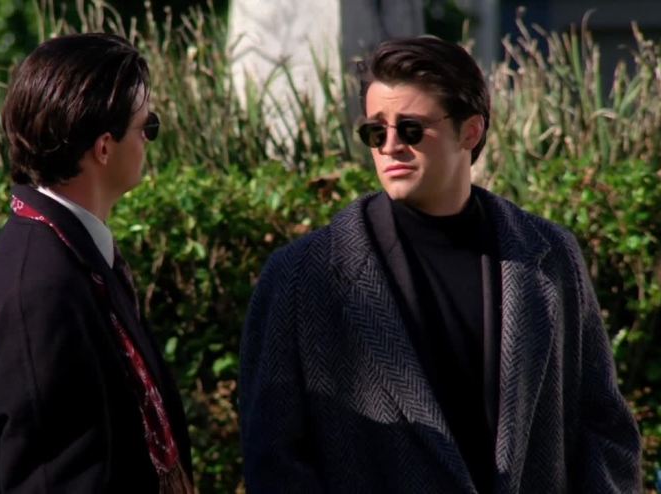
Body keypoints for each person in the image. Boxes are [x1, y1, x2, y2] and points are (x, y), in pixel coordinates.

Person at [239, 36, 641, 493]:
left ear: (470, 131)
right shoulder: (301, 275)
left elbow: (604, 425)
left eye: (411, 129)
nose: (390, 146)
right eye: (375, 132)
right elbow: (274, 457)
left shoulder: (549, 255)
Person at [0, 33, 193, 493]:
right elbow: (53, 475)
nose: (149, 141)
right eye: (147, 126)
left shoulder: (69, 251)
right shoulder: (41, 284)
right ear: (104, 147)